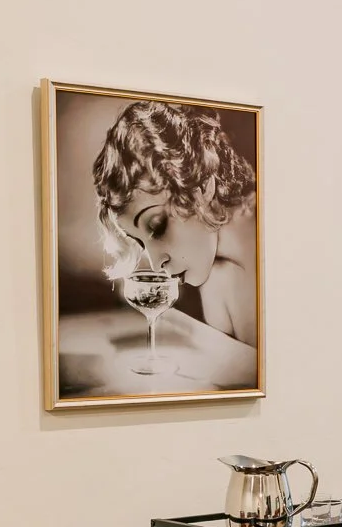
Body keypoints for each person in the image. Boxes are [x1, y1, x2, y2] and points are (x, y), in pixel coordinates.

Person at [91, 100, 258, 345]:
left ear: (202, 186)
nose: (157, 264)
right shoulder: (216, 280)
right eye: (140, 242)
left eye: (157, 227)